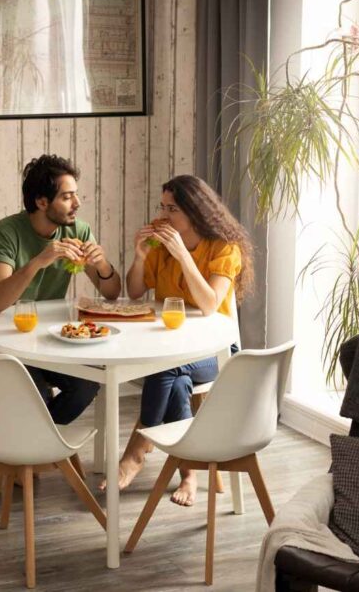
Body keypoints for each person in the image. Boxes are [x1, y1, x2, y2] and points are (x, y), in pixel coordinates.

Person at [105, 174, 253, 506]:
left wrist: (184, 257)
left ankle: (135, 452)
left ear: (195, 211)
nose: (164, 215)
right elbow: (135, 292)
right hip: (174, 348)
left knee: (166, 369)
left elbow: (210, 303)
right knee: (176, 378)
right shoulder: (161, 247)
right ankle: (189, 472)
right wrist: (141, 255)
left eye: (172, 209)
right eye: (163, 207)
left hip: (215, 351)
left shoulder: (224, 248)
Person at [0, 154, 122, 424]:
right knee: (34, 392)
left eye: (76, 195)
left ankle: (36, 448)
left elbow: (112, 293)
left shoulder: (77, 230)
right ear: (42, 202)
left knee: (88, 382)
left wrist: (102, 264)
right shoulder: (6, 233)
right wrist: (39, 262)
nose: (77, 203)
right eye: (67, 197)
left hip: (46, 339)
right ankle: (33, 452)